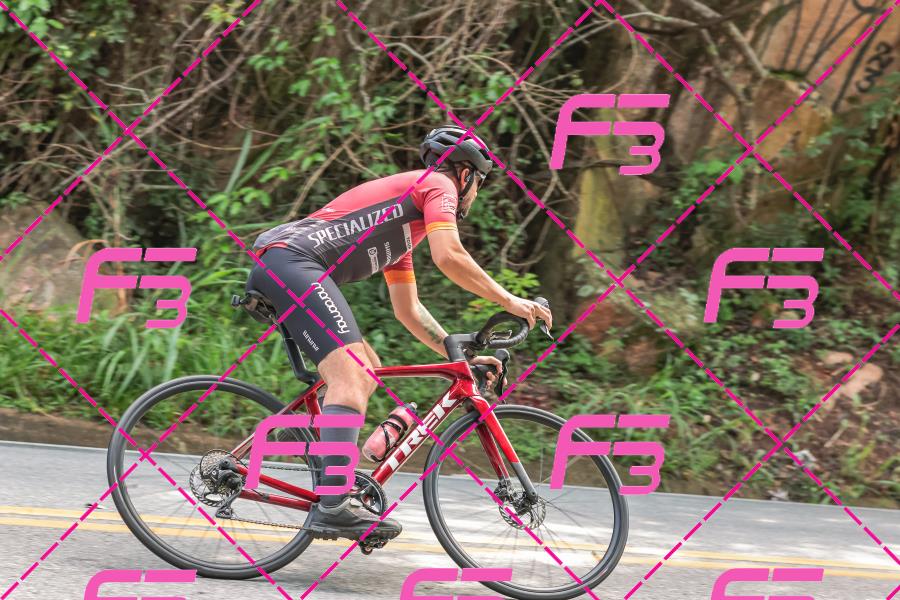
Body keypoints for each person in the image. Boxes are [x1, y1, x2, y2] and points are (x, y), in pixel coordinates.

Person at [246, 125, 553, 541]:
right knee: (351, 377)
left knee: (367, 369)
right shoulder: (438, 185)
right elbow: (450, 256)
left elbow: (408, 310)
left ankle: (319, 447)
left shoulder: (401, 229)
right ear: (466, 174)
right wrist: (512, 302)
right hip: (292, 263)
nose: (475, 194)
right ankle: (332, 507)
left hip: (287, 265)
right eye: (479, 183)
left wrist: (461, 358)